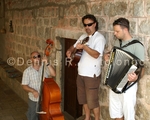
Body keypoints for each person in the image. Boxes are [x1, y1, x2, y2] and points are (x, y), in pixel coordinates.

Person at [66, 14, 106, 120]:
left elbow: (96, 54)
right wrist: (70, 51)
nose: (87, 27)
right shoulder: (83, 37)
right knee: (83, 99)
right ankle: (87, 118)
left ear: (95, 24)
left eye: (89, 24)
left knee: (93, 102)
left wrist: (84, 47)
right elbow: (74, 47)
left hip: (91, 75)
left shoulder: (99, 38)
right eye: (85, 25)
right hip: (81, 74)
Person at [104, 18, 145, 120]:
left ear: (125, 30)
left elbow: (142, 69)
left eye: (117, 31)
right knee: (117, 114)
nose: (114, 33)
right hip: (114, 83)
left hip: (128, 87)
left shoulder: (137, 46)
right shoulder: (118, 43)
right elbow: (113, 56)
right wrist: (107, 56)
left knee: (128, 116)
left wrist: (136, 78)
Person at [21, 51, 56, 120]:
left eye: (38, 56)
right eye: (34, 57)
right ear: (31, 59)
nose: (37, 58)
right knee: (33, 117)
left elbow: (54, 74)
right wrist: (33, 91)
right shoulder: (27, 71)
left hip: (45, 99)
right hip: (34, 100)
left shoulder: (44, 68)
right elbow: (24, 85)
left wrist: (47, 63)